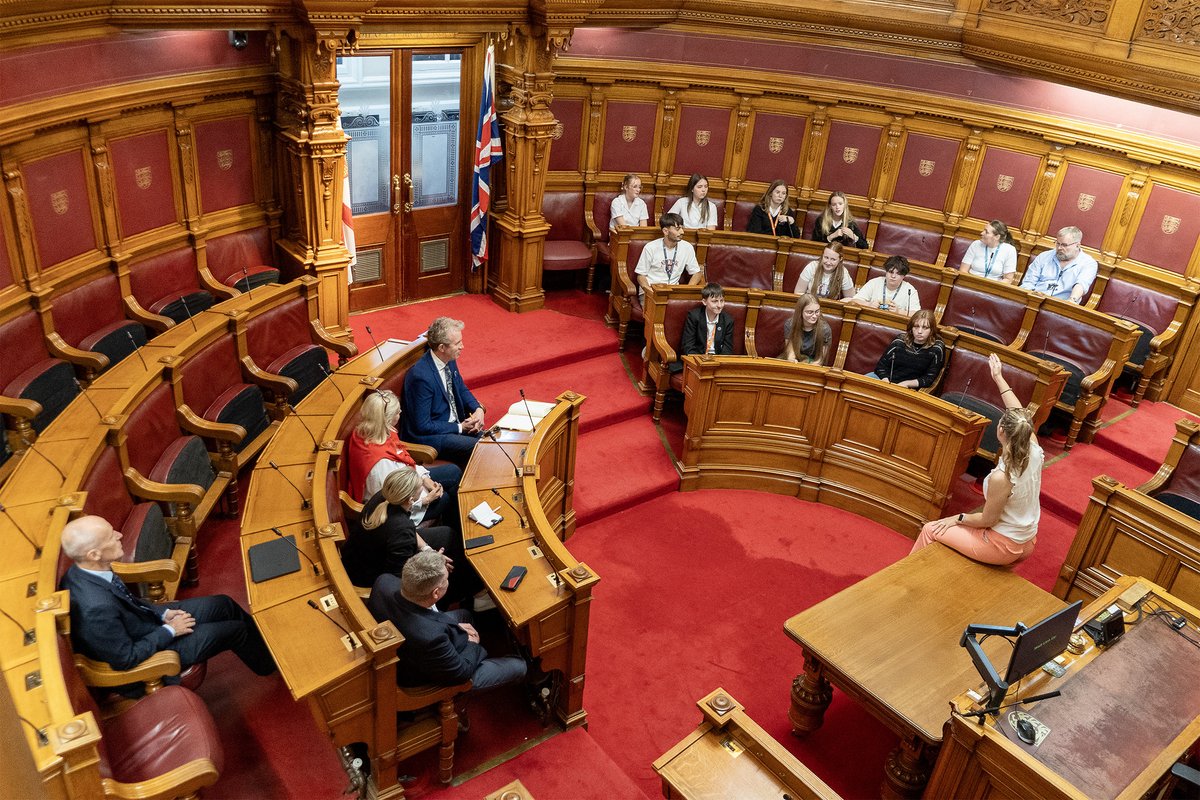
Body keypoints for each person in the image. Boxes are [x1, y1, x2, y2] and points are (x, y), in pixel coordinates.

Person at [59, 515, 276, 687]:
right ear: (94, 554)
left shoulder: (85, 570)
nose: (120, 534)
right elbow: (125, 659)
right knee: (235, 630)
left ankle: (266, 647)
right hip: (150, 652)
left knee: (223, 603)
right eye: (110, 536)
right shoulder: (96, 608)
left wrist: (162, 614)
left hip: (148, 622)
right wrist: (170, 630)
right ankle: (269, 665)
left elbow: (127, 602)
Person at [910, 353, 1042, 565]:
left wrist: (956, 518)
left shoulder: (1003, 476)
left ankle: (906, 578)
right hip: (1027, 540)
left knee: (931, 529)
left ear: (1000, 431)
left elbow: (988, 520)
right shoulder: (1033, 448)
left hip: (1002, 545)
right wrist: (999, 378)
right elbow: (1018, 414)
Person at [367, 550, 527, 691]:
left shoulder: (384, 581)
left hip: (412, 636)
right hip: (425, 672)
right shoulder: (431, 638)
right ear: (435, 593)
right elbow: (460, 673)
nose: (448, 582)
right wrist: (472, 644)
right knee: (519, 666)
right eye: (446, 580)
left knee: (465, 615)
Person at [346, 389, 461, 531]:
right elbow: (390, 504)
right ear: (387, 419)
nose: (400, 414)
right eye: (397, 412)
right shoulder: (380, 466)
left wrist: (425, 479)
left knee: (453, 472)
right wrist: (425, 500)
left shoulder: (372, 431)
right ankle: (454, 537)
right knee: (445, 499)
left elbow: (403, 460)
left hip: (406, 481)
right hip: (396, 508)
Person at [341, 467, 464, 594]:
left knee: (448, 534)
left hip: (358, 558)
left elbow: (405, 532)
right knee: (448, 560)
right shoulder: (401, 530)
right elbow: (399, 579)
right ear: (411, 500)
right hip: (370, 577)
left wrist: (428, 550)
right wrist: (434, 565)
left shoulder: (384, 495)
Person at [401, 317, 486, 469]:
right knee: (480, 448)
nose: (462, 346)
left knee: (492, 441)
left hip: (453, 425)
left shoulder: (448, 359)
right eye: (457, 343)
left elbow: (460, 388)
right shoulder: (421, 377)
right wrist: (460, 428)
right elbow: (422, 425)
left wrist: (477, 408)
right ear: (442, 347)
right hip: (431, 436)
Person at [1019, 226, 1097, 303]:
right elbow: (1028, 282)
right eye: (1057, 243)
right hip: (1034, 300)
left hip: (1061, 306)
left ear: (1077, 245)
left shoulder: (1089, 263)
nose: (1059, 248)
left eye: (1064, 245)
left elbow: (1081, 285)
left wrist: (1072, 300)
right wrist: (1032, 295)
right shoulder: (1044, 256)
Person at [868, 310, 944, 388]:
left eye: (925, 328)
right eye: (916, 326)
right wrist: (885, 381)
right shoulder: (899, 341)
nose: (920, 331)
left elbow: (928, 379)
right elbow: (881, 367)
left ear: (931, 330)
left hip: (910, 388)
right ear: (911, 327)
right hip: (886, 381)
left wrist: (907, 384)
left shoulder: (937, 348)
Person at [634, 212, 703, 300]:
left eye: (682, 228)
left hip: (673, 293)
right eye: (677, 229)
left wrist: (686, 291)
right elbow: (641, 276)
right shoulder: (650, 247)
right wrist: (649, 291)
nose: (682, 232)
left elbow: (697, 273)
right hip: (651, 291)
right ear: (665, 231)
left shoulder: (687, 247)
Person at [673, 282, 734, 373]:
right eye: (714, 301)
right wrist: (702, 362)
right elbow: (688, 346)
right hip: (696, 361)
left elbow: (727, 349)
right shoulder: (694, 316)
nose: (719, 305)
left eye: (722, 301)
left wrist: (717, 363)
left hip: (717, 363)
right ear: (704, 302)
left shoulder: (728, 320)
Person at [851, 255, 920, 316]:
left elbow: (917, 315)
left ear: (903, 276)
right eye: (890, 272)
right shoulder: (875, 282)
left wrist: (899, 312)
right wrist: (869, 304)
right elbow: (854, 301)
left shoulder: (910, 290)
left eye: (898, 274)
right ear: (886, 272)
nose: (893, 276)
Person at [780, 293, 832, 365]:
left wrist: (810, 366)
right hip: (795, 360)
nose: (814, 316)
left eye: (817, 311)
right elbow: (790, 353)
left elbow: (820, 359)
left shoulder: (825, 329)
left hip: (813, 362)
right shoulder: (790, 324)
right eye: (810, 312)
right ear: (800, 312)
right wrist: (792, 360)